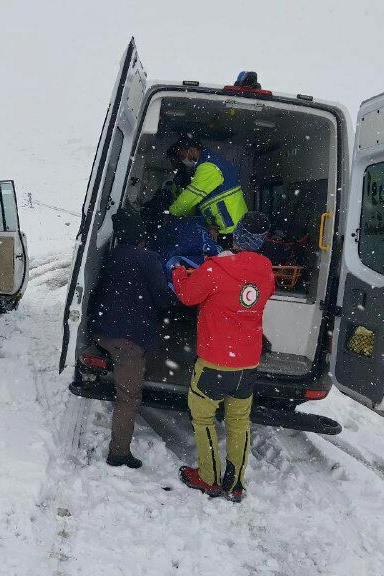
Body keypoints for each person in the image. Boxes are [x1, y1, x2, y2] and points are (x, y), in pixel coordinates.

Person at [171, 211, 274, 502]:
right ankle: (236, 483)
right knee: (239, 421)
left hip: (216, 361)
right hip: (247, 363)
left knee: (203, 419)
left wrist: (179, 273)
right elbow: (251, 292)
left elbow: (188, 296)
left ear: (237, 235)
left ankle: (208, 477)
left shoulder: (215, 268)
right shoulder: (266, 270)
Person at [92, 209, 175, 469]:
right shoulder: (148, 259)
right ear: (142, 235)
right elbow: (163, 298)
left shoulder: (111, 256)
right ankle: (118, 454)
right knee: (128, 397)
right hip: (127, 341)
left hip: (103, 331)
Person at [167, 138, 249, 248]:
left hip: (232, 231)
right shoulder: (211, 162)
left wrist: (172, 213)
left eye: (182, 156)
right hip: (228, 228)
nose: (182, 160)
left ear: (191, 151)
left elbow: (191, 195)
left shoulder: (209, 166)